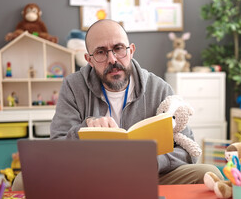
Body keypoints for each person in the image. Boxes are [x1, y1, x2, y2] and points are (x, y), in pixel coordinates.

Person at [12, 19, 223, 190]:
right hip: (88, 177)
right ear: (89, 59)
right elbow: (56, 147)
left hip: (149, 176)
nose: (112, 59)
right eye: (101, 52)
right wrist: (84, 129)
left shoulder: (159, 88)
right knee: (22, 181)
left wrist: (153, 162)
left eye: (118, 48)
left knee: (207, 172)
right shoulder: (73, 86)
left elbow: (189, 150)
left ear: (131, 50)